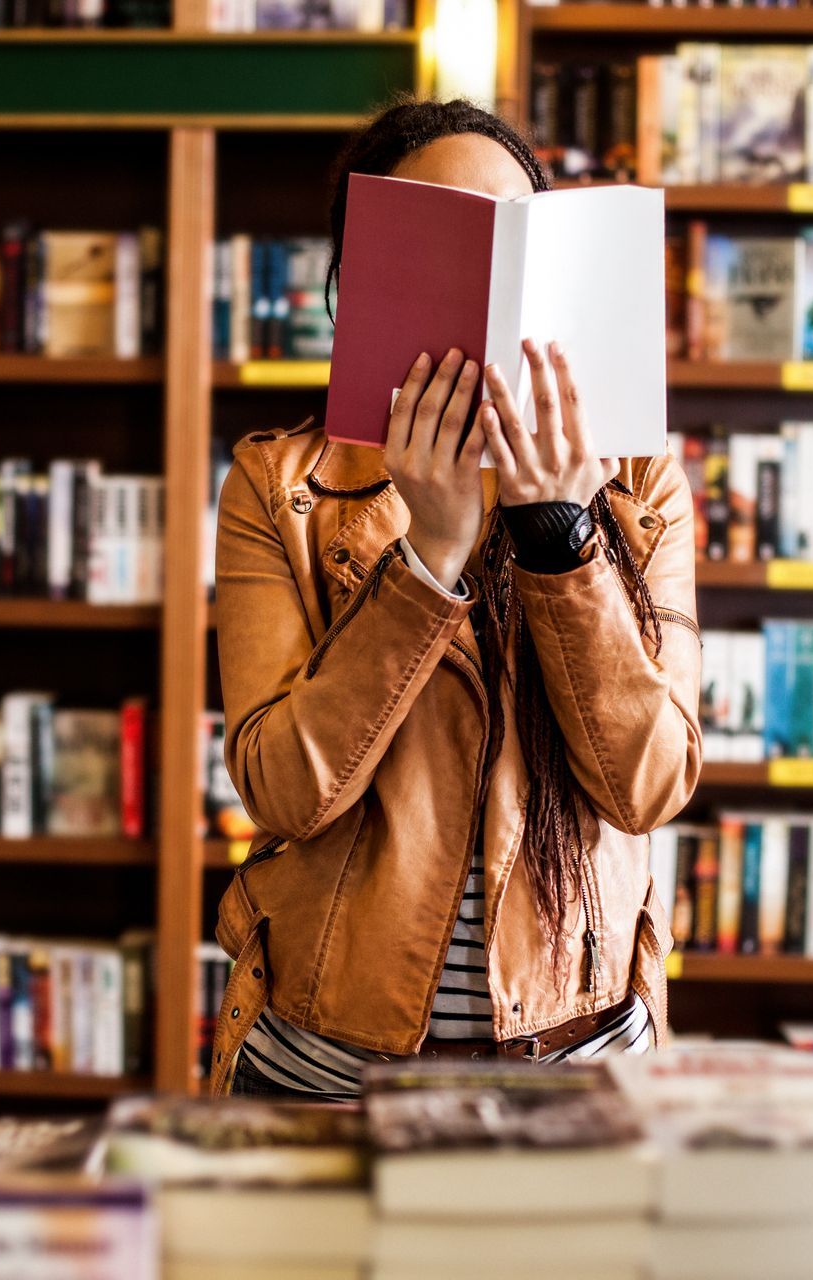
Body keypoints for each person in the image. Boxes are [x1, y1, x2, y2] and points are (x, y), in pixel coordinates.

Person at [208, 98, 703, 1099]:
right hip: (329, 1073)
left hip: (577, 1065)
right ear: (363, 287)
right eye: (445, 239)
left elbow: (649, 783)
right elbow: (285, 790)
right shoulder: (280, 486)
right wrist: (426, 557)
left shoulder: (638, 486)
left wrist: (560, 535)